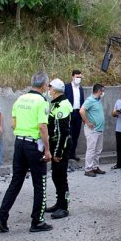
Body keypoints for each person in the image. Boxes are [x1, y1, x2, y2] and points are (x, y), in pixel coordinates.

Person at [0, 72, 53, 233]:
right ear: (43, 86)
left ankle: (1, 216)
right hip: (34, 145)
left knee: (16, 182)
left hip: (19, 143)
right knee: (40, 183)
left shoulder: (20, 99)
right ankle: (38, 221)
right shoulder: (41, 101)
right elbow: (42, 126)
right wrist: (47, 150)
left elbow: (13, 124)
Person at [44, 78, 72, 219]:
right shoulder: (56, 104)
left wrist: (58, 152)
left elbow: (63, 132)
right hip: (56, 145)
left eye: (50, 88)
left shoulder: (62, 106)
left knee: (61, 176)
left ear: (54, 90)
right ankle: (59, 202)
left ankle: (64, 206)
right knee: (56, 175)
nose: (48, 90)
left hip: (61, 147)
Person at [80, 83, 106, 177]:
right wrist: (87, 122)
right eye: (103, 91)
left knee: (98, 150)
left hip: (99, 129)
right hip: (93, 130)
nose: (103, 92)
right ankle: (88, 169)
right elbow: (81, 110)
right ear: (99, 91)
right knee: (91, 150)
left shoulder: (98, 100)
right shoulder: (90, 100)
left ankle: (95, 167)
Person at [64, 69, 85, 161]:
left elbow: (82, 101)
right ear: (72, 77)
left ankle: (73, 153)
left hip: (78, 113)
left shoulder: (80, 88)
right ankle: (66, 154)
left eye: (80, 77)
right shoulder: (67, 87)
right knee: (69, 134)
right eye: (77, 77)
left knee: (76, 134)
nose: (78, 79)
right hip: (69, 113)